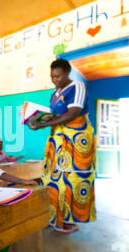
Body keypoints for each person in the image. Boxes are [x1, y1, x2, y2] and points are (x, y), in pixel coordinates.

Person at [28, 59, 96, 234]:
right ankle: (54, 217)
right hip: (57, 140)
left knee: (71, 180)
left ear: (67, 73)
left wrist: (43, 125)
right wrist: (35, 121)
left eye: (57, 76)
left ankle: (65, 219)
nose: (55, 79)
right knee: (53, 179)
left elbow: (72, 113)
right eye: (52, 77)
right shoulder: (55, 93)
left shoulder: (78, 86)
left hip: (75, 141)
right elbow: (54, 116)